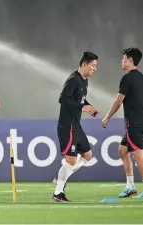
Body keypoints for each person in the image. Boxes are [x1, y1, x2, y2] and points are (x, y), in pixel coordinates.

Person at [53, 51, 99, 202]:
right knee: (71, 160)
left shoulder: (84, 80)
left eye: (95, 66)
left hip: (76, 125)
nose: (94, 69)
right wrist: (82, 107)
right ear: (84, 64)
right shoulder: (73, 80)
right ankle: (58, 192)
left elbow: (80, 100)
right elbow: (62, 99)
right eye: (92, 66)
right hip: (67, 126)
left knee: (88, 156)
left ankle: (61, 178)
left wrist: (88, 106)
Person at [102, 47, 143, 199]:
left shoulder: (127, 78)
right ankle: (130, 186)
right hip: (140, 120)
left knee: (138, 154)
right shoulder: (142, 77)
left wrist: (107, 117)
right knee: (123, 150)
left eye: (124, 59)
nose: (122, 61)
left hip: (134, 122)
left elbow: (118, 101)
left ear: (130, 60)